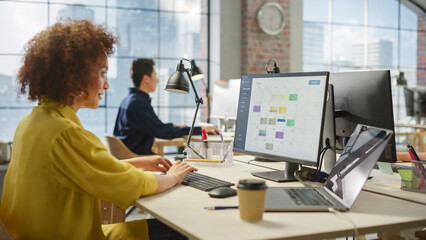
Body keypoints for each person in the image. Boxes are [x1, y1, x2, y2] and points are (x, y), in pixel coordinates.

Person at [0, 20, 196, 240]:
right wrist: (172, 177)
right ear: (76, 76)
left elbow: (79, 170)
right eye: (102, 73)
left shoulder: (32, 122)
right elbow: (131, 184)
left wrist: (137, 162)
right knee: (180, 231)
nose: (106, 85)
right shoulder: (64, 133)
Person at [113, 58, 219, 155]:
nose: (157, 80)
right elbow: (163, 132)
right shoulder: (138, 103)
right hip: (138, 157)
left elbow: (155, 127)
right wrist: (201, 129)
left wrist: (173, 126)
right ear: (146, 78)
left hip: (128, 156)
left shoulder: (128, 100)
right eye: (155, 75)